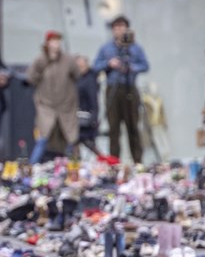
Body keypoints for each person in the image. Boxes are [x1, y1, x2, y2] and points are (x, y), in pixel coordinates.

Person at [93, 16, 149, 163]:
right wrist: (109, 63)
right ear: (113, 30)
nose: (119, 30)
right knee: (114, 129)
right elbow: (95, 67)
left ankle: (138, 162)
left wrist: (131, 67)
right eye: (116, 27)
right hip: (113, 89)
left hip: (130, 87)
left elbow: (145, 65)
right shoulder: (106, 48)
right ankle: (114, 162)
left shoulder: (135, 47)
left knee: (133, 128)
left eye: (122, 26)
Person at [28, 31, 80, 163]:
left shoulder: (68, 59)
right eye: (53, 41)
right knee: (43, 138)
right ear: (47, 43)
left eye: (58, 42)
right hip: (46, 104)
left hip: (65, 105)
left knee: (70, 137)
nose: (56, 45)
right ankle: (31, 167)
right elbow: (31, 78)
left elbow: (77, 75)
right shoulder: (40, 59)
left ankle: (73, 168)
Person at [75, 55, 100, 156]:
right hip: (77, 117)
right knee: (75, 144)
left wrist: (93, 119)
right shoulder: (76, 79)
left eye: (82, 66)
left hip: (86, 120)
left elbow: (94, 102)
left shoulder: (89, 80)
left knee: (90, 145)